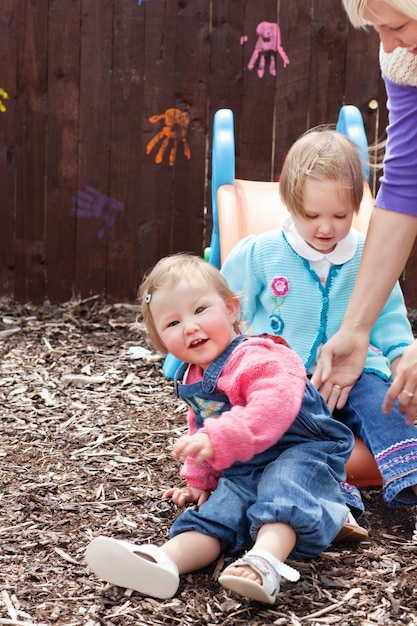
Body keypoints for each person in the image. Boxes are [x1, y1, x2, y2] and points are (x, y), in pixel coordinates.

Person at [85, 253, 354, 605]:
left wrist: (223, 436)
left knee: (284, 490)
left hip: (305, 451)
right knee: (216, 513)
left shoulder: (259, 356)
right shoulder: (192, 376)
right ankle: (165, 561)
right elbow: (201, 424)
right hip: (245, 467)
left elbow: (274, 403)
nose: (190, 327)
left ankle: (265, 562)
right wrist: (200, 479)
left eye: (200, 311)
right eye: (172, 323)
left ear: (230, 310)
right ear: (162, 341)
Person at [221, 127, 417, 525]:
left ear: (356, 208)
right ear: (291, 204)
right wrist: (208, 357)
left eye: (340, 216)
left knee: (384, 404)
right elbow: (224, 305)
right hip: (286, 376)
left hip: (356, 370)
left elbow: (388, 315)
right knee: (296, 425)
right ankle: (334, 498)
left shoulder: (368, 255)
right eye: (312, 215)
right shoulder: (262, 252)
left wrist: (399, 359)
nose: (325, 228)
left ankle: (408, 475)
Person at [311, 0, 417, 426]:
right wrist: (355, 328)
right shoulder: (403, 58)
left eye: (397, 25)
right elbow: (405, 187)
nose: (388, 44)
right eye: (377, 30)